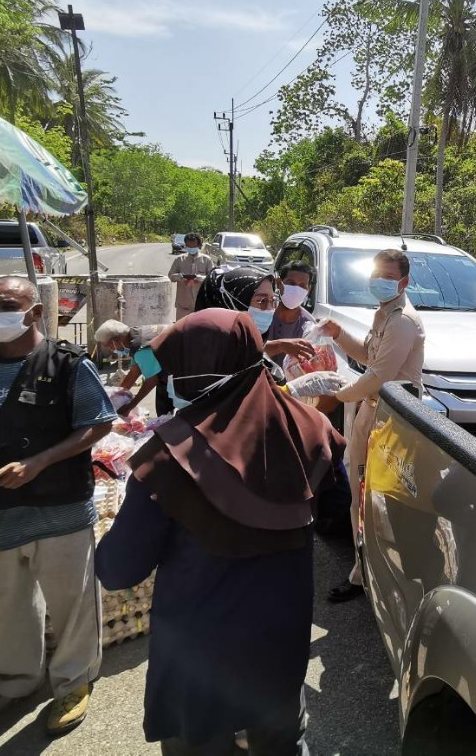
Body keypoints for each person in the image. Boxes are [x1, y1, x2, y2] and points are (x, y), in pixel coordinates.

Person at [95, 308, 345, 755]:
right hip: (278, 656)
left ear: (189, 371)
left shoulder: (168, 459)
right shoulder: (313, 430)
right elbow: (327, 506)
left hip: (198, 666)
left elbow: (118, 570)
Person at [0, 276, 116, 735]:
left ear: (35, 312)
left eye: (7, 305)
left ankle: (73, 681)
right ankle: (15, 681)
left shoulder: (68, 365)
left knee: (72, 603)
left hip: (60, 509)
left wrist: (40, 461)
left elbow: (97, 425)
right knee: (2, 606)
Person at [314, 248, 425, 603]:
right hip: (373, 411)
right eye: (377, 274)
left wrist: (339, 393)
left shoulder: (403, 320)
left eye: (389, 277)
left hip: (391, 419)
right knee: (361, 492)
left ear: (404, 282)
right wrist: (338, 333)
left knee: (378, 495)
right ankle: (364, 571)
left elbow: (379, 375)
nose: (381, 281)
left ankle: (379, 574)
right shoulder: (385, 314)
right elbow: (367, 354)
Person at [195, 265, 318, 366]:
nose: (269, 309)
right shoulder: (202, 350)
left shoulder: (309, 324)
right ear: (235, 302)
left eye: (271, 301)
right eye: (261, 301)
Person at [95, 319, 170, 417]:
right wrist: (117, 395)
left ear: (115, 341)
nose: (110, 350)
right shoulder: (135, 334)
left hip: (183, 370)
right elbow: (135, 370)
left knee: (166, 415)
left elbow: (151, 380)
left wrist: (129, 407)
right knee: (164, 410)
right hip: (176, 362)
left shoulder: (141, 348)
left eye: (108, 346)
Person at [169, 233, 215, 321]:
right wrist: (180, 277)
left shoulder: (206, 260)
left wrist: (200, 278)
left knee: (199, 330)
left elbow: (212, 278)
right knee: (181, 330)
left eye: (193, 245)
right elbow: (170, 276)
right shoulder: (179, 259)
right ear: (186, 245)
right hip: (183, 304)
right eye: (189, 245)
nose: (191, 248)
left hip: (201, 304)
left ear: (198, 245)